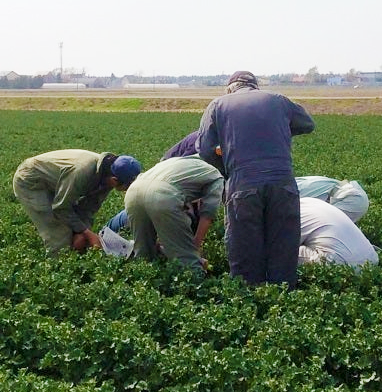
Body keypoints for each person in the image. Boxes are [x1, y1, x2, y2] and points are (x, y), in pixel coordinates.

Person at [196, 70, 315, 289]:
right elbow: (307, 124)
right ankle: (283, 301)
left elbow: (204, 149)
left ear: (230, 88)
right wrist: (278, 131)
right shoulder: (278, 100)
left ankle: (249, 303)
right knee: (283, 245)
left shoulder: (217, 105)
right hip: (283, 184)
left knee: (244, 248)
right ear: (255, 86)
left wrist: (227, 170)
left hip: (243, 184)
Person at [13, 149, 141, 254]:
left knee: (77, 237)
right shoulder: (83, 172)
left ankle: (72, 254)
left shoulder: (107, 176)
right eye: (127, 187)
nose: (127, 190)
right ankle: (59, 269)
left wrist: (81, 233)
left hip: (56, 183)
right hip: (31, 180)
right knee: (59, 234)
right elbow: (61, 207)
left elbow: (88, 207)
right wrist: (87, 233)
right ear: (114, 180)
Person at [124, 155, 224, 271]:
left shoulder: (179, 161)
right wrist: (194, 247)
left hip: (133, 192)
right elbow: (208, 214)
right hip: (163, 196)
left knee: (144, 256)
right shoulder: (215, 174)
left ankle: (140, 280)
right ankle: (194, 285)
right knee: (188, 264)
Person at [298, 197, 378, 269]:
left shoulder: (295, 213)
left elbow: (288, 244)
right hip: (371, 261)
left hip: (342, 265)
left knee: (287, 251)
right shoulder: (312, 202)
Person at [295, 176, 369, 222]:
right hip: (352, 193)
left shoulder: (293, 194)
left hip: (351, 197)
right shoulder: (294, 183)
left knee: (325, 224)